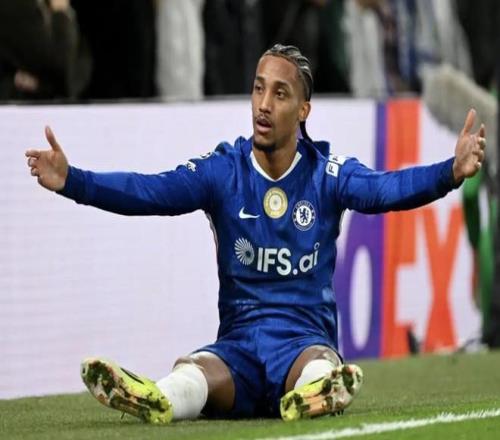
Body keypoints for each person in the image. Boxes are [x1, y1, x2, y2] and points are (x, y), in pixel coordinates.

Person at [25, 44, 486, 423]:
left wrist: (450, 171)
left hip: (303, 343)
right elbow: (149, 191)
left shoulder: (328, 174)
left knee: (319, 365)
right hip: (239, 349)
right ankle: (159, 399)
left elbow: (388, 188)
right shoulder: (223, 171)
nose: (264, 105)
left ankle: (320, 389)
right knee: (196, 370)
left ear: (303, 110)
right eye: (258, 88)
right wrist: (73, 181)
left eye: (280, 94)